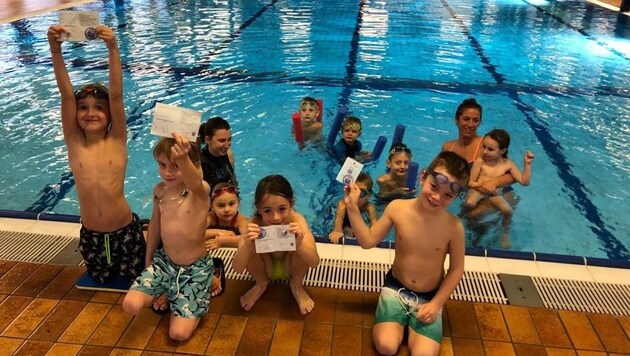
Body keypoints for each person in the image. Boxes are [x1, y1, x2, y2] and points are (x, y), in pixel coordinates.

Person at [344, 151, 470, 356]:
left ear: (456, 196)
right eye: (434, 187)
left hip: (429, 297)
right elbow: (367, 241)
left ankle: (409, 323)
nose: (437, 197)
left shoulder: (454, 228)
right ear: (422, 177)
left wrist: (437, 303)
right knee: (386, 346)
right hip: (396, 288)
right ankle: (394, 317)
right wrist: (352, 208)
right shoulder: (397, 208)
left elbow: (456, 270)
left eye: (448, 195)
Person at [47, 24, 145, 284]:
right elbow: (66, 96)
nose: (91, 113)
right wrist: (55, 50)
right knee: (98, 282)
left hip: (126, 232)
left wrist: (112, 48)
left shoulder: (117, 139)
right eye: (84, 108)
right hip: (91, 235)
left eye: (99, 108)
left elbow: (116, 95)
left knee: (135, 282)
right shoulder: (74, 141)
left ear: (110, 114)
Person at [123, 132, 212, 341]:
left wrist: (183, 157)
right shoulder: (160, 191)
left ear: (193, 165)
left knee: (178, 334)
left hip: (194, 270)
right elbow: (154, 227)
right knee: (131, 305)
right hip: (165, 264)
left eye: (176, 166)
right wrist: (148, 261)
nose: (167, 172)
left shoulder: (199, 193)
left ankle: (198, 293)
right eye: (162, 165)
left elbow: (195, 181)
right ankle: (170, 291)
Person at [232, 175, 320, 315]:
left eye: (282, 209)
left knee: (302, 245)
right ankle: (261, 284)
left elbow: (314, 263)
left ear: (292, 204)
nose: (276, 218)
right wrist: (246, 245)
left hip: (291, 267)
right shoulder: (254, 223)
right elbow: (237, 269)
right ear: (258, 208)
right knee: (249, 247)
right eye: (267, 211)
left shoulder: (297, 221)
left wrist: (299, 245)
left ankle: (296, 286)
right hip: (264, 269)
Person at [441, 98, 516, 220]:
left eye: (475, 120)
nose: (470, 125)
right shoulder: (448, 147)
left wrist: (494, 182)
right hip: (474, 194)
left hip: (500, 195)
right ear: (457, 120)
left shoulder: (486, 146)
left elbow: (513, 175)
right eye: (466, 119)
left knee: (471, 217)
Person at [463, 129, 534, 248]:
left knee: (508, 211)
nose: (485, 151)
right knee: (469, 203)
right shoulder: (480, 162)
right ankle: (460, 219)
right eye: (484, 147)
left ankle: (504, 233)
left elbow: (524, 181)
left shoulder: (508, 164)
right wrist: (479, 187)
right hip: (477, 191)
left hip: (494, 195)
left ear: (503, 151)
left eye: (490, 149)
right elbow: (470, 182)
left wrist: (527, 164)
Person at [329, 172, 378, 244]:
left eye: (361, 193)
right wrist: (337, 230)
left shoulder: (369, 207)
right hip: (345, 222)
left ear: (369, 196)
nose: (356, 196)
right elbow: (338, 218)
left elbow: (374, 223)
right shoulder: (343, 204)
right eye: (352, 190)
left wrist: (374, 236)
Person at [205, 182, 248, 250]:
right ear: (212, 206)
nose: (227, 210)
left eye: (231, 204)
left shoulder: (240, 220)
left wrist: (223, 241)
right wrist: (218, 232)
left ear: (238, 203)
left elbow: (249, 238)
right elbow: (193, 234)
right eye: (221, 205)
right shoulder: (210, 217)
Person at [197, 116, 237, 190]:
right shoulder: (199, 162)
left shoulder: (229, 154)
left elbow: (233, 180)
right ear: (208, 139)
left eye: (229, 139)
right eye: (222, 140)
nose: (227, 145)